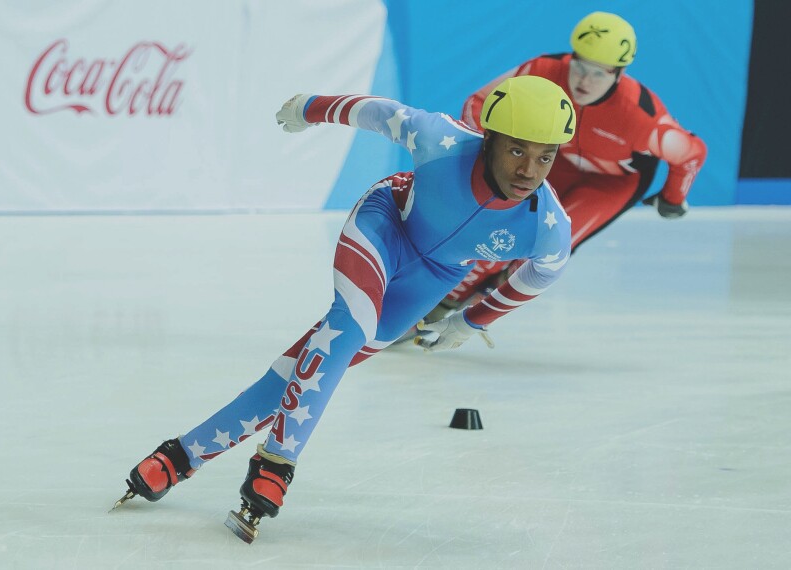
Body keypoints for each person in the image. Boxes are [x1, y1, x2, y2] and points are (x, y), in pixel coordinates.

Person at [111, 75, 575, 543]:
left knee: (305, 370)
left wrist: (471, 320)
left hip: (431, 278)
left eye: (545, 156)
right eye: (517, 150)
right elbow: (377, 112)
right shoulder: (443, 140)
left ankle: (180, 457)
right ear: (490, 139)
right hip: (386, 222)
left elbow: (543, 274)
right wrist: (309, 107)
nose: (529, 171)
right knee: (347, 329)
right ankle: (275, 465)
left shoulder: (548, 224)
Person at [426, 11, 708, 321]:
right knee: (499, 225)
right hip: (554, 163)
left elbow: (692, 154)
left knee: (546, 245)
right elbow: (478, 102)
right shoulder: (543, 70)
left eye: (599, 73)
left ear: (619, 73)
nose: (584, 81)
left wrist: (673, 198)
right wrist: (484, 152)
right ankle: (442, 300)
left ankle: (482, 306)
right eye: (580, 66)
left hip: (611, 184)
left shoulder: (643, 119)